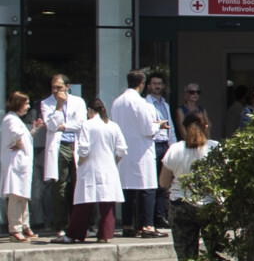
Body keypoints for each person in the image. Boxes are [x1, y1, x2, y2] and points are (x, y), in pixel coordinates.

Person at [161, 117, 217, 261]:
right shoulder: (215, 148)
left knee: (186, 257)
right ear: (206, 126)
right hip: (210, 206)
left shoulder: (175, 150)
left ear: (183, 129)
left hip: (181, 206)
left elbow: (163, 181)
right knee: (216, 254)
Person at [66, 95, 128, 243]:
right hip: (108, 168)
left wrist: (80, 163)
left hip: (90, 167)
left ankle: (75, 234)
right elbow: (122, 150)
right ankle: (105, 235)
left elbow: (84, 149)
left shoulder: (87, 125)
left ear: (89, 110)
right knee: (107, 204)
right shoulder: (113, 126)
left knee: (83, 203)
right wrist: (113, 162)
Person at [111, 70, 163, 237]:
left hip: (125, 151)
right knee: (147, 188)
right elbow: (147, 129)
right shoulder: (140, 103)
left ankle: (127, 224)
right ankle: (147, 226)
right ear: (141, 84)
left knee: (128, 189)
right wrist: (158, 125)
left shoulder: (117, 102)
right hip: (141, 151)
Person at [34, 73, 87, 237]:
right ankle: (60, 225)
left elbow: (82, 123)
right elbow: (51, 125)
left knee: (78, 184)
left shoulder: (78, 102)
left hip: (76, 145)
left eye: (59, 87)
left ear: (67, 87)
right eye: (53, 88)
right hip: (59, 147)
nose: (56, 91)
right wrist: (58, 106)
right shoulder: (46, 103)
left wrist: (64, 127)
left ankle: (79, 223)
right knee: (60, 187)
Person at [0, 90, 36, 240]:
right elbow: (17, 135)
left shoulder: (15, 119)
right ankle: (14, 229)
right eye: (25, 103)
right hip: (15, 164)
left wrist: (32, 131)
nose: (28, 107)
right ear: (18, 104)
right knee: (16, 196)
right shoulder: (10, 119)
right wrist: (20, 140)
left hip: (22, 164)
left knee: (23, 196)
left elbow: (22, 138)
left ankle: (25, 225)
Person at [143, 71, 175, 192]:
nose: (157, 86)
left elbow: (170, 127)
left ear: (163, 86)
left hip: (165, 145)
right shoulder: (145, 104)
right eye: (154, 83)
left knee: (164, 182)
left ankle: (160, 211)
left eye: (159, 83)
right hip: (152, 144)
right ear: (149, 86)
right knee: (151, 181)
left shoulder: (165, 105)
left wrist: (173, 145)